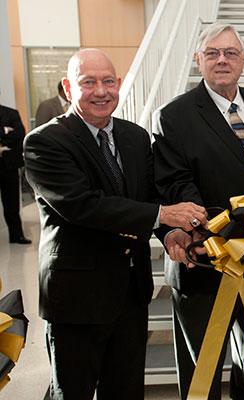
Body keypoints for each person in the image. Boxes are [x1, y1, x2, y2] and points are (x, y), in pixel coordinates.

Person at [23, 48, 206, 400]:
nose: (101, 91)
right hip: (77, 299)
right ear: (67, 87)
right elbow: (84, 206)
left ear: (119, 83)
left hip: (129, 294)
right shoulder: (46, 142)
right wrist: (165, 216)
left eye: (108, 81)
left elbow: (149, 195)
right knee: (73, 392)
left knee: (125, 391)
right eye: (88, 82)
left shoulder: (135, 137)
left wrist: (171, 236)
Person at [153, 23, 244, 400]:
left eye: (230, 53)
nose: (222, 59)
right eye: (212, 53)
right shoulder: (173, 116)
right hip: (203, 260)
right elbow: (176, 184)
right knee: (201, 374)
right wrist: (220, 233)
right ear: (198, 60)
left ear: (243, 60)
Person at [0, 102, 30, 244]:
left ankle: (16, 235)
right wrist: (4, 131)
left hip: (9, 166)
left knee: (12, 203)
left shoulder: (11, 113)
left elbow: (19, 134)